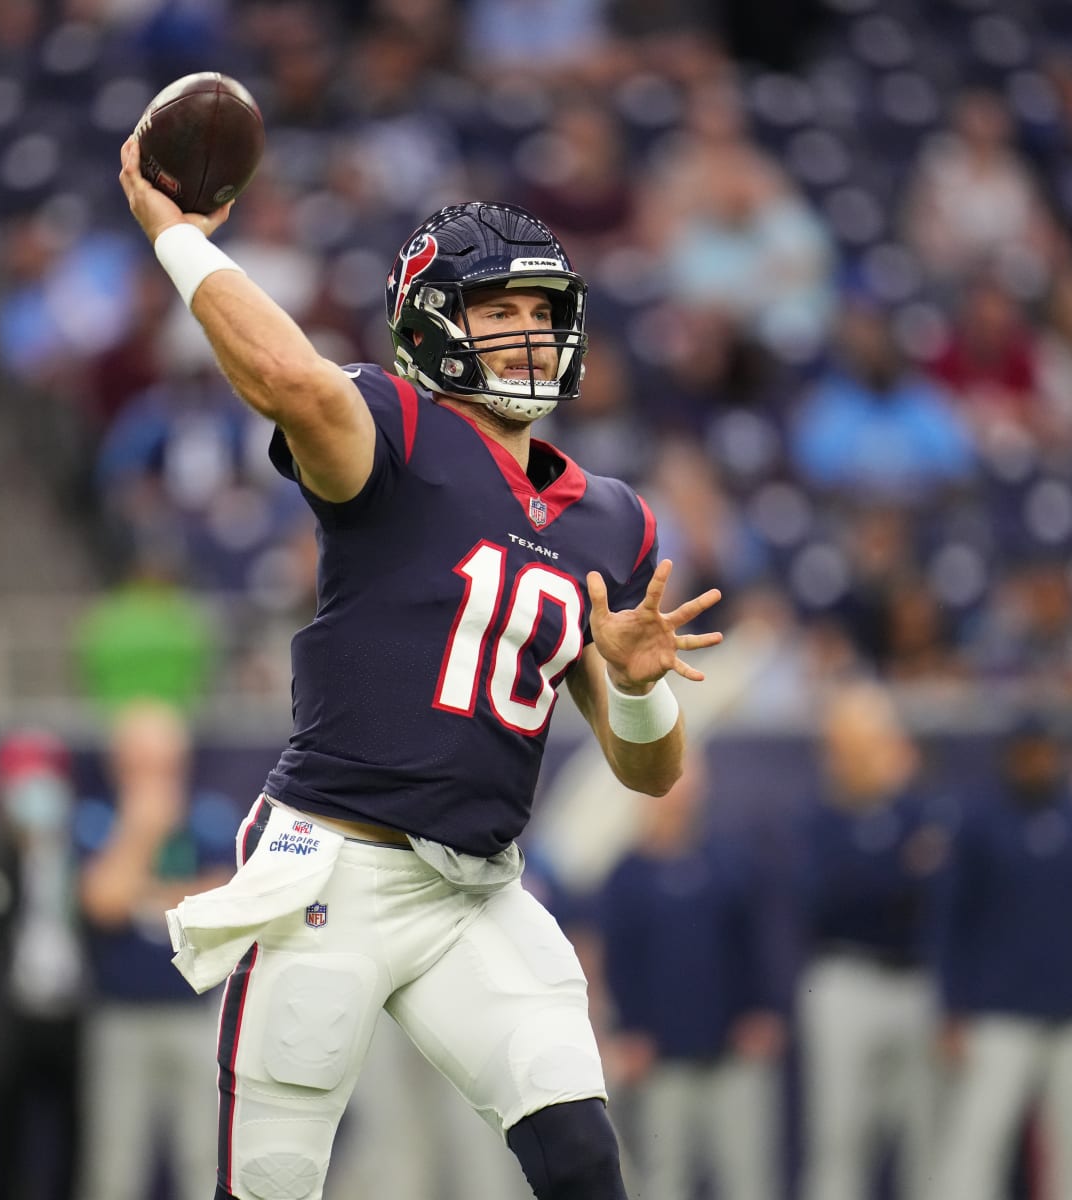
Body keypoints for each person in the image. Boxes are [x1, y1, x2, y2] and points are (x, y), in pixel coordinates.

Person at [118, 135, 722, 1200]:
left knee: (583, 1159)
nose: (529, 333)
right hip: (334, 870)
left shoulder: (611, 519)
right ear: (429, 324)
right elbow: (290, 381)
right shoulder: (396, 431)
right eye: (497, 310)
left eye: (541, 311)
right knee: (268, 1186)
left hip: (475, 894)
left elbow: (652, 775)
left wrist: (633, 683)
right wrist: (177, 238)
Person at [931, 718, 1072, 1200]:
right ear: (1009, 757)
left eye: (1044, 752)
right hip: (999, 1014)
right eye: (1026, 753)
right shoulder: (980, 823)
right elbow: (951, 921)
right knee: (977, 1146)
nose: (1036, 763)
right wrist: (952, 1006)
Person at [598, 750, 784, 1200]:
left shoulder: (730, 863)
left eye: (683, 782)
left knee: (748, 1178)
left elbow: (756, 946)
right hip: (663, 1062)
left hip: (732, 1055)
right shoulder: (627, 876)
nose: (675, 796)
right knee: (666, 1181)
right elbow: (619, 963)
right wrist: (630, 1029)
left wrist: (762, 1011)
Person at [75, 701, 237, 1200]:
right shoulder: (95, 818)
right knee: (114, 1163)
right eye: (143, 764)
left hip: (195, 1013)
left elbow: (225, 902)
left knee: (202, 1159)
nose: (157, 777)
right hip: (121, 1016)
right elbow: (102, 901)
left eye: (166, 764)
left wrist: (142, 893)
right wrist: (141, 831)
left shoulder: (209, 815)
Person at [794, 684, 944, 1200]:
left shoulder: (922, 812)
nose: (860, 754)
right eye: (850, 742)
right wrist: (899, 871)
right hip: (845, 981)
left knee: (927, 1143)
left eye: (874, 740)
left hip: (917, 982)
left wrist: (892, 874)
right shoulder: (820, 819)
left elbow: (937, 893)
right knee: (839, 1142)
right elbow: (828, 900)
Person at [0, 730, 88, 1200]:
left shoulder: (81, 848)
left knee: (74, 1139)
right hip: (11, 1013)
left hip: (72, 1011)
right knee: (5, 1136)